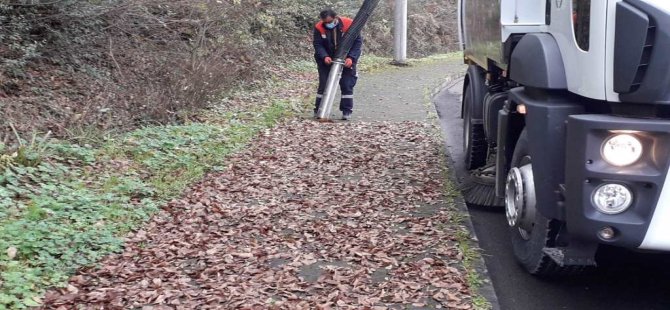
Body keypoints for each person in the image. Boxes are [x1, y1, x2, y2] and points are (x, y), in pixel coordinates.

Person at [313, 9, 363, 120]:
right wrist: (324, 56)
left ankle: (346, 111)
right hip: (326, 59)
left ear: (336, 18)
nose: (328, 24)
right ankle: (318, 109)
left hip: (346, 59)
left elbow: (357, 43)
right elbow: (318, 45)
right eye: (325, 22)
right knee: (324, 83)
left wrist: (351, 58)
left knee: (347, 84)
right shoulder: (319, 27)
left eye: (330, 21)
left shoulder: (349, 24)